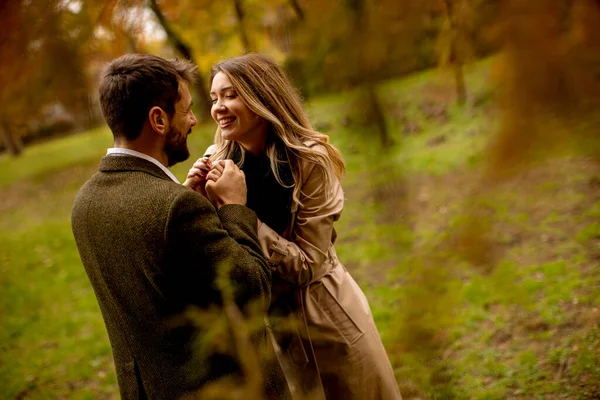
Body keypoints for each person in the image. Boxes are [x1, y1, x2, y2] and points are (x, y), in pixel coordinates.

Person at [185, 54, 402, 400]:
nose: (218, 108)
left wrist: (240, 212)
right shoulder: (219, 160)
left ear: (262, 96)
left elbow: (308, 264)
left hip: (327, 318)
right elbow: (212, 257)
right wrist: (195, 200)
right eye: (214, 98)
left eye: (230, 95)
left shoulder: (309, 160)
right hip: (268, 330)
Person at [71, 53, 287, 400]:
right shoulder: (176, 208)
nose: (194, 120)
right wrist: (234, 208)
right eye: (186, 109)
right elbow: (252, 292)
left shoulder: (85, 203)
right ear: (158, 119)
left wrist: (190, 203)